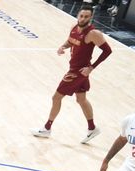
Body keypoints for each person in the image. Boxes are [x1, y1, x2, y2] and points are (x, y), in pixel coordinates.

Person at [31, 4, 112, 144]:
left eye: (86, 16)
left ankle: (47, 128)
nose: (83, 18)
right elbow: (70, 41)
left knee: (56, 97)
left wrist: (91, 67)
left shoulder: (93, 33)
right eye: (81, 15)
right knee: (81, 99)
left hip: (78, 72)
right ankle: (92, 128)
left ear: (91, 17)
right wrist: (63, 46)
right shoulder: (74, 28)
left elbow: (107, 51)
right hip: (76, 68)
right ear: (78, 15)